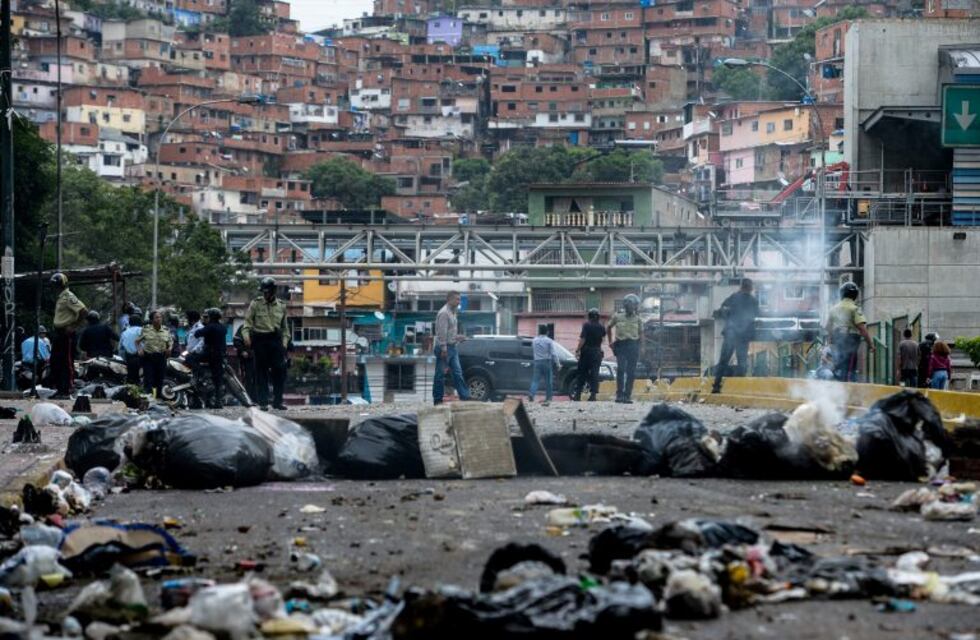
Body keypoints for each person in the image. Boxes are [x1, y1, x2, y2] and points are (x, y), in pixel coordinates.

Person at [243, 277, 289, 411]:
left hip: (276, 341)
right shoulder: (255, 304)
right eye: (263, 292)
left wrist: (284, 343)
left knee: (279, 372)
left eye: (268, 292)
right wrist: (247, 338)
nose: (265, 294)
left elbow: (285, 328)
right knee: (261, 373)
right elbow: (247, 323)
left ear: (274, 291)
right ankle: (263, 402)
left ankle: (278, 401)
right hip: (260, 340)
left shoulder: (281, 306)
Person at [712, 278, 760, 394]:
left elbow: (723, 308)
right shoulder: (753, 301)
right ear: (751, 288)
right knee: (742, 363)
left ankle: (716, 386)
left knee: (723, 361)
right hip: (743, 336)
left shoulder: (734, 297)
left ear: (741, 286)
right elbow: (755, 315)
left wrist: (728, 316)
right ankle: (740, 389)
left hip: (731, 333)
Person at [826, 281, 875, 382]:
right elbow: (862, 328)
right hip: (851, 339)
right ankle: (847, 389)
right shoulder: (854, 308)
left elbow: (828, 327)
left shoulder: (833, 309)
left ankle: (836, 387)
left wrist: (830, 339)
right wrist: (871, 344)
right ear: (855, 294)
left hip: (838, 339)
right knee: (850, 367)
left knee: (839, 363)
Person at [49, 272, 87, 398]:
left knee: (66, 362)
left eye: (57, 285)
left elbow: (83, 311)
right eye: (54, 285)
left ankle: (66, 389)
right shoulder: (61, 297)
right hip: (59, 333)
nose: (55, 287)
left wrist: (73, 326)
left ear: (63, 284)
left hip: (66, 334)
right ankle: (60, 388)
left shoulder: (69, 296)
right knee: (55, 361)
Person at [432, 291, 470, 405]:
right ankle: (437, 400)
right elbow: (441, 333)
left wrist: (458, 337)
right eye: (457, 299)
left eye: (459, 299)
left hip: (452, 347)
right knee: (440, 375)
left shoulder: (453, 312)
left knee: (458, 373)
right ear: (450, 300)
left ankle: (465, 397)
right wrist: (444, 348)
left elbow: (449, 332)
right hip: (445, 348)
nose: (459, 302)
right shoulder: (444, 313)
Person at [608, 294, 642, 404]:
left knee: (631, 372)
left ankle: (627, 395)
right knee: (621, 369)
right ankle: (619, 395)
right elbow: (608, 327)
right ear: (626, 305)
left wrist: (642, 347)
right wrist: (610, 342)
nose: (632, 307)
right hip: (621, 345)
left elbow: (642, 334)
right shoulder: (617, 316)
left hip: (633, 345)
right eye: (630, 305)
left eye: (634, 305)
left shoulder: (638, 319)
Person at [136, 310, 173, 398]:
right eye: (156, 317)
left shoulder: (166, 330)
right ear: (152, 320)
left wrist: (169, 349)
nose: (159, 319)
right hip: (149, 358)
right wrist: (139, 350)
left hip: (161, 358)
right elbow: (137, 341)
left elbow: (170, 342)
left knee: (159, 380)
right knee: (149, 380)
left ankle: (158, 399)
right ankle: (148, 399)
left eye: (160, 317)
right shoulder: (146, 330)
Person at [195, 308, 227, 409]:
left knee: (190, 358)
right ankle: (218, 402)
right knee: (218, 380)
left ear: (212, 316)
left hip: (209, 354)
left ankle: (198, 372)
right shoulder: (223, 328)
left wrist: (204, 325)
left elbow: (197, 334)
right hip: (220, 355)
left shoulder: (210, 327)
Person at [573, 308, 605, 401]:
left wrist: (577, 349)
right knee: (595, 373)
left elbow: (583, 339)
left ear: (589, 316)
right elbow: (602, 339)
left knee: (582, 372)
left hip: (586, 352)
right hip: (597, 351)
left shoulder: (586, 325)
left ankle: (578, 394)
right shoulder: (601, 327)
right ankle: (593, 395)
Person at [528, 325, 560, 405]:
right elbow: (553, 353)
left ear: (539, 331)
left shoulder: (534, 340)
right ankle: (548, 398)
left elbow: (533, 349)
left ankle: (531, 394)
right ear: (547, 332)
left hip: (537, 362)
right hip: (546, 362)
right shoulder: (549, 341)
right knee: (548, 381)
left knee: (535, 380)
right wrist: (558, 363)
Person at [233, 325, 257, 400]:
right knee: (248, 378)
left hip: (258, 356)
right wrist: (242, 351)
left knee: (257, 378)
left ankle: (256, 397)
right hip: (247, 357)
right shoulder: (244, 327)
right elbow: (236, 341)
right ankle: (248, 397)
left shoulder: (260, 326)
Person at [119, 314, 143, 385]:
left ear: (129, 323)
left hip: (129, 359)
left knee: (131, 380)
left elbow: (120, 349)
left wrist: (125, 359)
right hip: (142, 359)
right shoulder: (142, 330)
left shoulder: (124, 333)